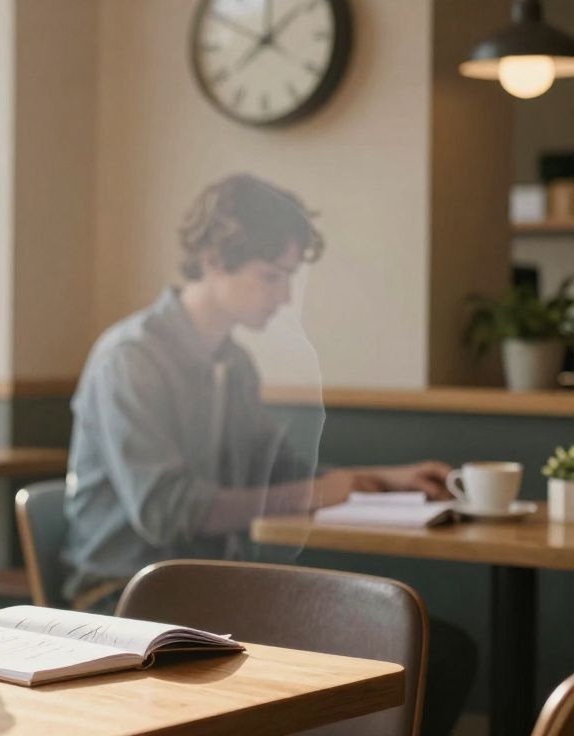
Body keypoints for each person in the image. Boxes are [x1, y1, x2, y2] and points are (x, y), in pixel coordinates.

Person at [62, 173, 473, 734]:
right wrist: (314, 492)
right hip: (129, 601)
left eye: (288, 278)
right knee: (413, 654)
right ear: (213, 259)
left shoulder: (233, 365)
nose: (283, 297)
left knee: (432, 652)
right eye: (271, 277)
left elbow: (276, 470)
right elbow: (166, 512)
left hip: (211, 591)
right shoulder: (131, 360)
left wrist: (383, 477)